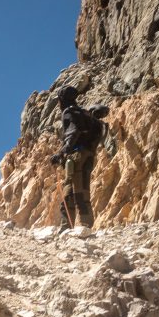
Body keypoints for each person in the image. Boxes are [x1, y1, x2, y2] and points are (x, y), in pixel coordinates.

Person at [49, 86, 113, 229]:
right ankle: (76, 226)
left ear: (62, 100)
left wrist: (61, 153)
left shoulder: (69, 113)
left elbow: (73, 132)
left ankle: (78, 227)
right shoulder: (87, 115)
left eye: (59, 100)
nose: (58, 104)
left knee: (74, 193)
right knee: (75, 191)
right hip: (89, 156)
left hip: (77, 156)